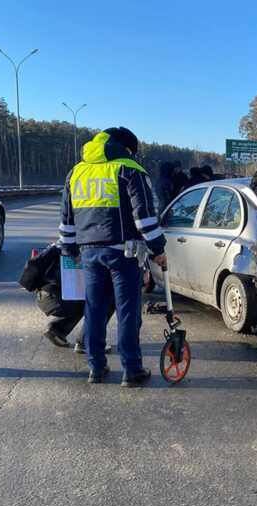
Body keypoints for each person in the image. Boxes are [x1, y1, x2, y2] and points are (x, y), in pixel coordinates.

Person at [59, 127, 167, 387]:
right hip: (123, 252)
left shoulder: (76, 172)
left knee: (94, 309)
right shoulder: (129, 169)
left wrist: (67, 249)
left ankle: (96, 368)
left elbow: (67, 217)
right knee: (127, 311)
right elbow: (144, 216)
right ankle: (132, 370)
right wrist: (158, 249)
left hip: (88, 253)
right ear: (127, 148)